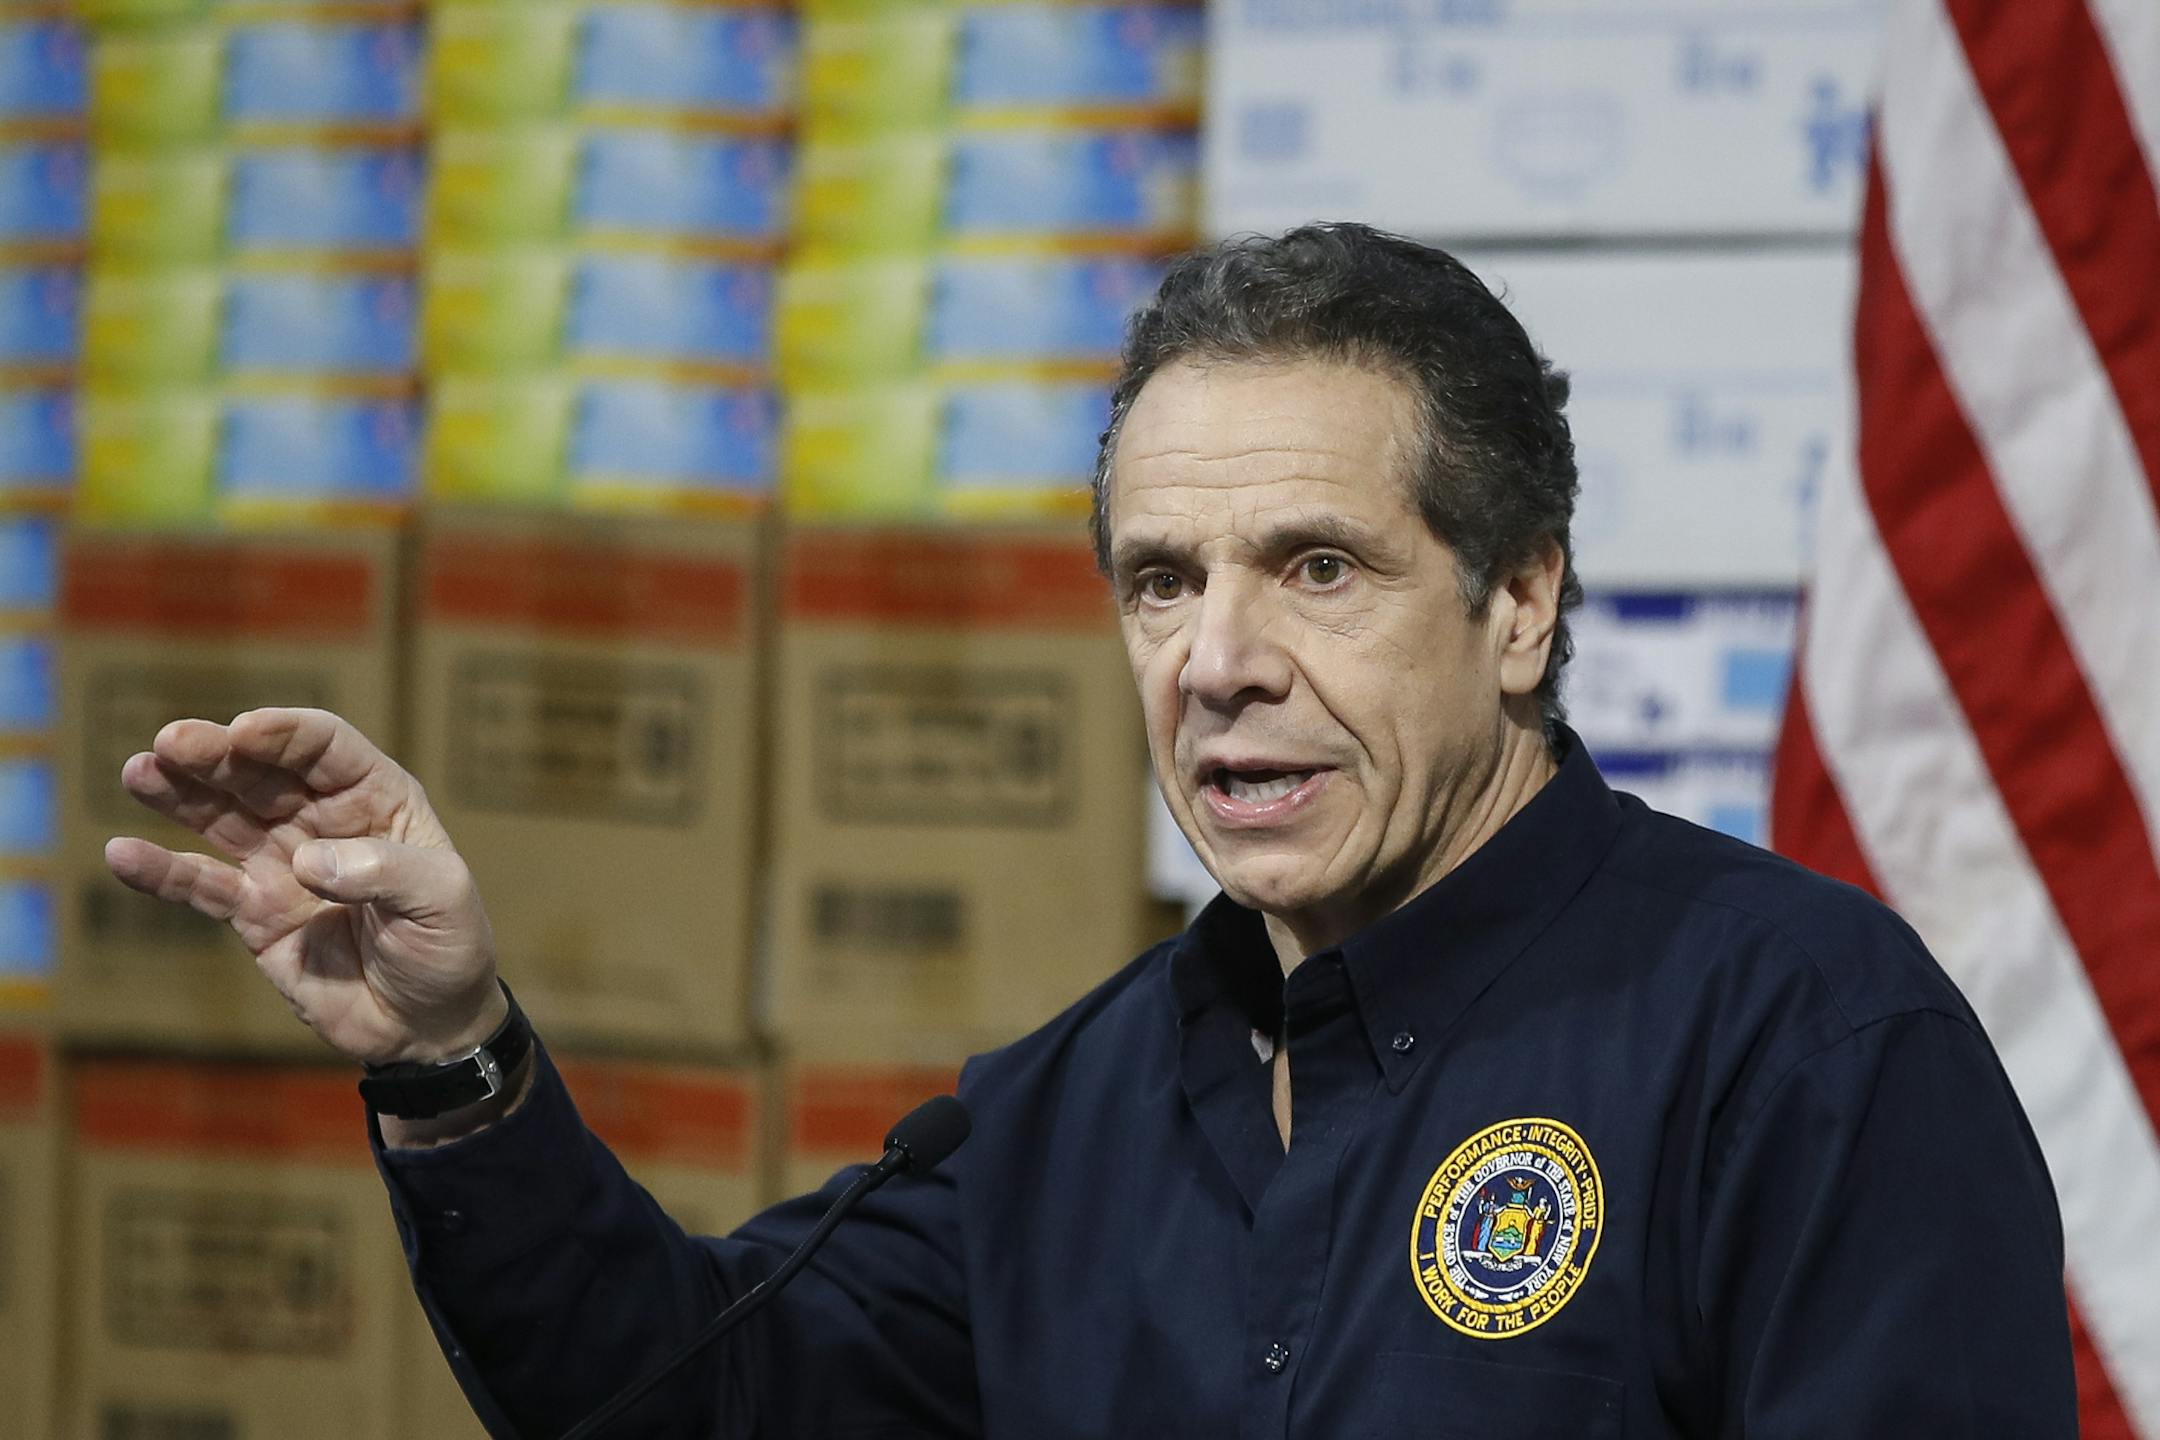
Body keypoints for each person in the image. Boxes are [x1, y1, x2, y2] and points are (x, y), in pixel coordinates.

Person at [104, 223, 2077, 1438]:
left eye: (1316, 568)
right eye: (1160, 582)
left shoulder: (1805, 1044)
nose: (1216, 662)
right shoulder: (1057, 1116)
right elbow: (687, 1398)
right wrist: (452, 1052)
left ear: (1521, 603)